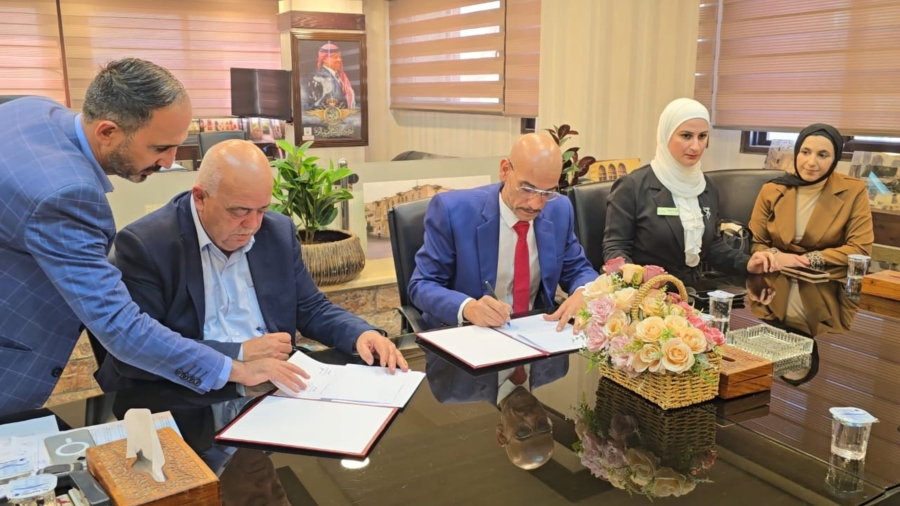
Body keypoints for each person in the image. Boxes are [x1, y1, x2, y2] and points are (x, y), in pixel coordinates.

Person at [0, 58, 304, 417]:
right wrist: (237, 369)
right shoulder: (67, 195)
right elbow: (121, 327)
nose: (168, 162)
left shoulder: (32, 111)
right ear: (107, 132)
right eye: (159, 148)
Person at [95, 140, 408, 448]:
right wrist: (240, 353)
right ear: (200, 197)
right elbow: (139, 352)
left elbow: (310, 307)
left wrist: (360, 333)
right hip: (187, 400)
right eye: (240, 211)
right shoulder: (147, 244)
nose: (253, 224)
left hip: (272, 392)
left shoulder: (277, 231)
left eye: (262, 209)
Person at [408, 133, 599, 330]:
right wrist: (468, 307)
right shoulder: (453, 211)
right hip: (469, 333)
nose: (535, 204)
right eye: (527, 189)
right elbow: (422, 284)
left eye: (547, 192)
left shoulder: (559, 210)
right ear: (505, 170)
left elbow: (579, 269)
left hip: (535, 331)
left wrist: (583, 292)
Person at [603, 98, 775, 284]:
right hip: (648, 292)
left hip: (694, 290)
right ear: (666, 135)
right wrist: (636, 283)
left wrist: (747, 263)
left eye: (702, 136)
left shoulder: (706, 186)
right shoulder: (632, 186)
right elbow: (615, 248)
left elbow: (711, 246)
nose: (696, 146)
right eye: (686, 136)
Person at [749, 123, 874, 270]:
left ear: (835, 159)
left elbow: (860, 249)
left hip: (827, 276)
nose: (811, 162)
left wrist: (807, 259)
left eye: (822, 155)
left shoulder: (854, 190)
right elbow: (756, 243)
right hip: (776, 271)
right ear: (797, 152)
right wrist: (777, 256)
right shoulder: (772, 189)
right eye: (805, 152)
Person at [425, 350, 567, 470]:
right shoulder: (557, 367)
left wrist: (470, 323)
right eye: (543, 426)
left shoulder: (453, 389)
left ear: (501, 435)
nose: (530, 417)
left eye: (522, 432)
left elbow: (430, 330)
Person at [308, 42, 356, 109]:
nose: (339, 60)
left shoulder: (341, 77)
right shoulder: (318, 78)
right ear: (324, 59)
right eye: (335, 57)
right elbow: (315, 106)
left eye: (339, 57)